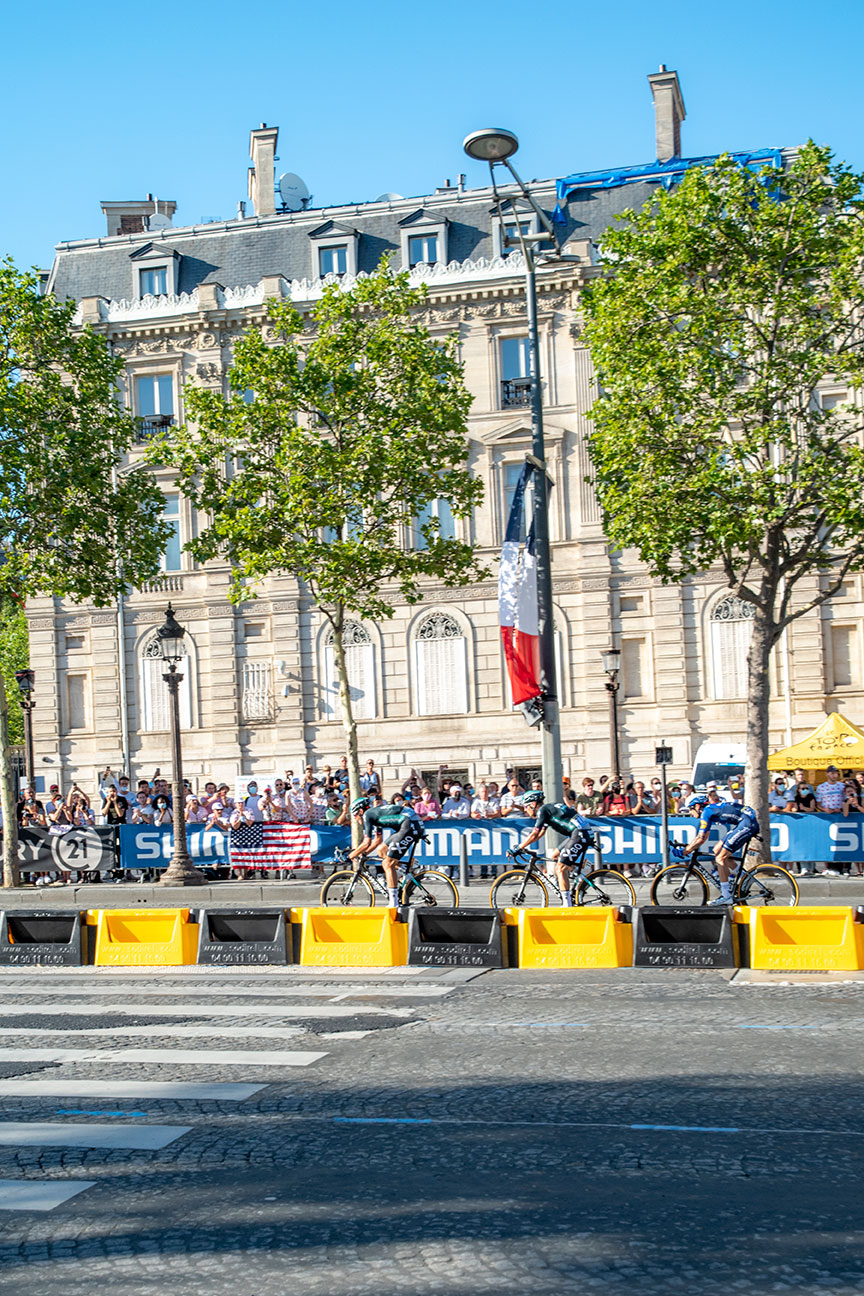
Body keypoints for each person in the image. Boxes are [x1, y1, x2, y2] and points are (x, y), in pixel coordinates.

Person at [516, 789, 595, 906]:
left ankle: (567, 904)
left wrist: (518, 847)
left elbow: (534, 833)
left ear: (533, 804)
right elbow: (540, 834)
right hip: (579, 832)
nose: (526, 811)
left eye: (526, 807)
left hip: (580, 833)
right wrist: (524, 846)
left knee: (560, 868)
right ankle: (580, 870)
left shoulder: (542, 811)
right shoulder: (547, 810)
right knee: (554, 855)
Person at [679, 794, 760, 904]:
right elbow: (703, 836)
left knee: (720, 858)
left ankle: (726, 896)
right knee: (717, 850)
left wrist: (685, 851)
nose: (690, 813)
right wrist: (689, 847)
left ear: (697, 806)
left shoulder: (706, 812)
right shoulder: (709, 810)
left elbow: (701, 838)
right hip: (745, 821)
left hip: (747, 823)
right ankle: (743, 878)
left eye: (690, 809)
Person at [348, 794, 427, 906]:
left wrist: (352, 855)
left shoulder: (366, 815)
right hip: (409, 824)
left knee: (387, 864)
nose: (356, 819)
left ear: (360, 811)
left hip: (409, 825)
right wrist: (363, 854)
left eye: (355, 815)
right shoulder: (373, 814)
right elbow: (377, 840)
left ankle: (393, 903)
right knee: (382, 850)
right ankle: (406, 867)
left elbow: (366, 842)